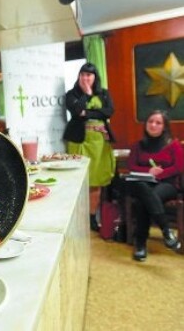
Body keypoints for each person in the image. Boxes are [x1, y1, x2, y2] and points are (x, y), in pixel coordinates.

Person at [63, 62, 116, 231]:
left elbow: (109, 112)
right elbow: (77, 111)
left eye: (89, 75)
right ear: (79, 76)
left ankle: (92, 217)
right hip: (79, 141)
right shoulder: (71, 94)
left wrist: (88, 113)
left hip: (100, 143)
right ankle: (77, 217)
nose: (85, 78)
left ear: (95, 77)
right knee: (78, 181)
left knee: (96, 182)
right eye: (83, 75)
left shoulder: (104, 94)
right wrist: (86, 95)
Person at [126, 110, 183, 261]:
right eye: (150, 121)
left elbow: (179, 167)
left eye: (158, 123)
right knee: (143, 191)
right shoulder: (137, 146)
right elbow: (131, 166)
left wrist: (160, 174)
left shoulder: (173, 144)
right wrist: (149, 171)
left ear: (164, 127)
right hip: (143, 183)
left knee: (144, 200)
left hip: (167, 184)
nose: (153, 125)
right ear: (146, 125)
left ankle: (140, 243)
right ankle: (166, 231)